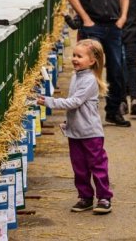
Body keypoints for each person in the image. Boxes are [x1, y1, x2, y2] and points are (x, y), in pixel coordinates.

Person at [37, 39, 113, 214]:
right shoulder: (75, 76)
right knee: (79, 167)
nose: (74, 59)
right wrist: (69, 123)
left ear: (92, 61)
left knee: (97, 165)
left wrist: (49, 102)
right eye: (74, 55)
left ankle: (104, 197)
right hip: (76, 132)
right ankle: (85, 197)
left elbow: (75, 102)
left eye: (79, 56)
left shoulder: (90, 80)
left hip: (90, 132)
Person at [66, 0, 131, 127]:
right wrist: (86, 19)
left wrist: (123, 17)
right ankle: (84, 114)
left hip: (113, 25)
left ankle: (113, 111)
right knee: (88, 70)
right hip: (92, 26)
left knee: (117, 69)